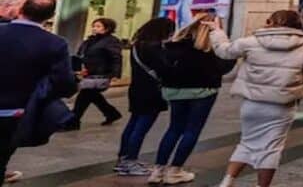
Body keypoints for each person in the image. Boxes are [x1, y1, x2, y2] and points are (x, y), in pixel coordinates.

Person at [210, 10, 303, 187]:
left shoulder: (251, 42)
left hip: (252, 103)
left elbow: (224, 51)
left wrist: (217, 32)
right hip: (282, 106)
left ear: (270, 22)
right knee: (272, 148)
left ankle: (227, 181)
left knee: (246, 142)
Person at [150, 13, 236, 185]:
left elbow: (162, 66)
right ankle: (175, 170)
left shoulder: (175, 43)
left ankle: (157, 170)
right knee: (192, 130)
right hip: (203, 91)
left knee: (174, 128)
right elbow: (225, 67)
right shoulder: (212, 47)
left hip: (175, 91)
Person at [0, 0, 77, 185]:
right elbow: (63, 81)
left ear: (21, 10)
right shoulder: (55, 43)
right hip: (17, 109)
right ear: (50, 16)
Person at [115, 17, 176, 177]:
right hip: (152, 90)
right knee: (141, 127)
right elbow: (165, 69)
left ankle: (123, 158)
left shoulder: (137, 45)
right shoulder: (155, 48)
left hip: (137, 88)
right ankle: (130, 161)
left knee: (133, 123)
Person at [71, 17, 124, 129]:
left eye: (98, 26)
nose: (95, 28)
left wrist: (115, 74)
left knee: (85, 95)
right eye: (94, 26)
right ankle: (111, 113)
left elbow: (116, 58)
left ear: (107, 28)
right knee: (93, 95)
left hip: (101, 74)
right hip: (89, 73)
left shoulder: (111, 41)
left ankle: (73, 121)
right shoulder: (90, 41)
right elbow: (80, 55)